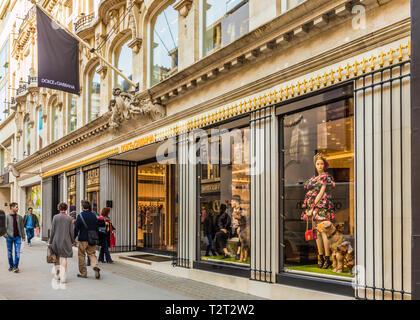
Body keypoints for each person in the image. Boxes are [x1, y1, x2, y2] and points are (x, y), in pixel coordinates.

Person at [301, 153, 336, 269]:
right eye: (317, 164)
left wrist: (312, 206)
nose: (319, 166)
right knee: (317, 233)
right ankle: (320, 257)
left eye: (321, 164)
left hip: (322, 207)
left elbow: (321, 193)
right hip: (313, 207)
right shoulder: (313, 178)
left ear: (324, 165)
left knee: (324, 233)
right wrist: (309, 207)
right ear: (315, 165)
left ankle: (327, 258)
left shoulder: (325, 177)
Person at [49, 202, 75, 286]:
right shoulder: (69, 218)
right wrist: (72, 241)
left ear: (59, 208)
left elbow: (53, 230)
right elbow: (71, 231)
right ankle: (63, 277)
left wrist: (50, 241)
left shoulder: (55, 217)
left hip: (56, 240)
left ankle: (57, 274)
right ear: (66, 208)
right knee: (64, 258)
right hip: (66, 240)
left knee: (56, 257)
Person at [74, 200, 101, 279]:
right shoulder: (94, 215)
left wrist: (73, 238)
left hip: (83, 239)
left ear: (82, 207)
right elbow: (97, 227)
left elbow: (76, 228)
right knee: (92, 254)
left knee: (81, 255)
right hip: (92, 239)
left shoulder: (80, 216)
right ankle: (95, 266)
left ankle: (83, 273)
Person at [4, 203, 25, 273]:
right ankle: (11, 266)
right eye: (16, 207)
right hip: (9, 237)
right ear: (12, 207)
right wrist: (6, 235)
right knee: (9, 253)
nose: (17, 208)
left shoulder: (20, 217)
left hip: (17, 237)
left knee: (17, 252)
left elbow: (22, 227)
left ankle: (16, 267)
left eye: (17, 207)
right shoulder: (6, 217)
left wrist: (23, 236)